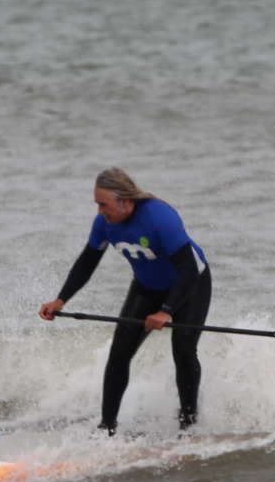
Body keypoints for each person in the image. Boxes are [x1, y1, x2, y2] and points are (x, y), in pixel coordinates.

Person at [39, 168, 212, 435]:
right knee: (119, 352)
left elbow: (187, 269)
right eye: (97, 205)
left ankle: (188, 427)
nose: (100, 211)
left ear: (126, 202)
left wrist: (166, 311)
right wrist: (61, 299)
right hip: (146, 288)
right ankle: (107, 427)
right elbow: (87, 261)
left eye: (104, 204)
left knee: (183, 348)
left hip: (191, 285)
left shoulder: (159, 217)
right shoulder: (104, 224)